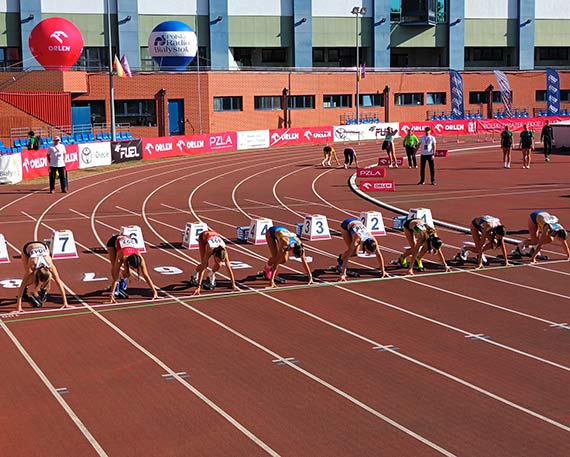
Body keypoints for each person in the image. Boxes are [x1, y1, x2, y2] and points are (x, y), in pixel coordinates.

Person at [15, 241, 72, 313]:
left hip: (42, 246)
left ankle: (43, 291)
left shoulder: (50, 265)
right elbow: (22, 285)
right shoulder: (32, 265)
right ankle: (25, 293)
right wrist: (18, 307)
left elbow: (58, 281)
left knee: (50, 277)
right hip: (27, 248)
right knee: (30, 280)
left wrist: (65, 303)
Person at [107, 233, 158, 303]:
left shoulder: (139, 256)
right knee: (114, 270)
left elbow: (146, 276)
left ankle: (122, 283)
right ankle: (116, 289)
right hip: (113, 243)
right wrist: (111, 296)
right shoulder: (120, 255)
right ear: (128, 263)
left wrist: (154, 291)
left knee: (127, 273)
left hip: (125, 240)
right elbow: (115, 278)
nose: (134, 270)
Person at [190, 229, 239, 295]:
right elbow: (203, 269)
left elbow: (229, 268)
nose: (218, 261)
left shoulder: (224, 252)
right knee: (205, 265)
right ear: (215, 255)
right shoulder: (209, 248)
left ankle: (211, 275)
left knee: (219, 264)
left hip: (214, 235)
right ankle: (195, 275)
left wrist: (233, 285)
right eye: (218, 259)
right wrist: (198, 286)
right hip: (203, 238)